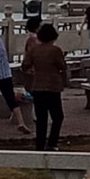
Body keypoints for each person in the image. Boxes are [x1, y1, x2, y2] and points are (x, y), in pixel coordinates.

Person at [22, 22, 68, 151]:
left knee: (41, 118)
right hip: (53, 86)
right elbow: (62, 66)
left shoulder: (34, 50)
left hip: (38, 85)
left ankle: (40, 145)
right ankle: (52, 143)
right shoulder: (55, 50)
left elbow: (25, 65)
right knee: (57, 117)